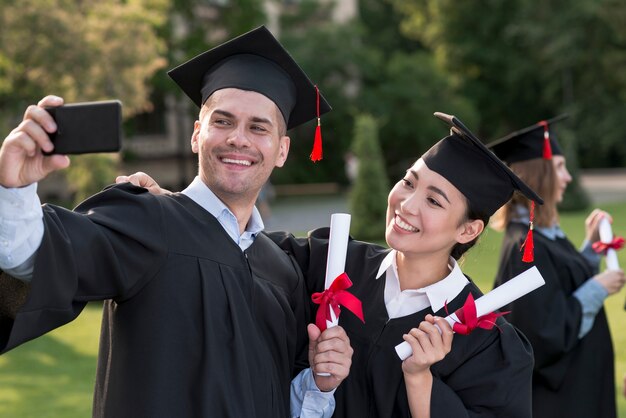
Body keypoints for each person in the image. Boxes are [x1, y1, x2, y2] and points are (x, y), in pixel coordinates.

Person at [0, 26, 353, 418]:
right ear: (197, 134)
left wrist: (318, 385)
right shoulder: (147, 220)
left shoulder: (282, 269)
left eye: (258, 127)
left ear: (282, 150)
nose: (239, 138)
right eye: (222, 122)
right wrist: (12, 189)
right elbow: (37, 253)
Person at [124, 112, 539, 417]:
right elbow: (235, 249)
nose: (407, 204)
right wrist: (173, 207)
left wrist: (420, 378)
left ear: (468, 230)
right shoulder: (332, 264)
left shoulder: (489, 345)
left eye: (433, 200)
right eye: (410, 182)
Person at [488, 116, 625, 418]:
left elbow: (558, 286)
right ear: (540, 175)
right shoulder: (524, 247)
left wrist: (589, 251)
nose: (568, 177)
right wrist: (597, 289)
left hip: (579, 385)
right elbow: (540, 334)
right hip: (561, 400)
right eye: (560, 167)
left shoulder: (542, 236)